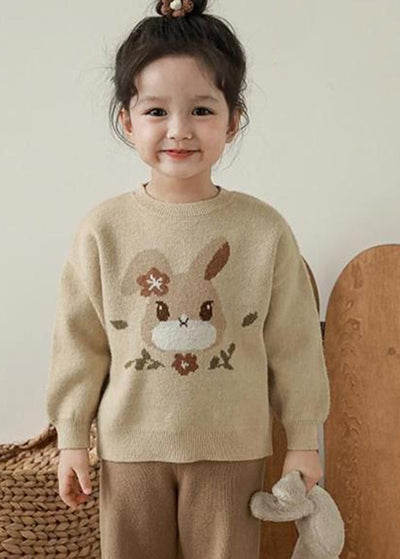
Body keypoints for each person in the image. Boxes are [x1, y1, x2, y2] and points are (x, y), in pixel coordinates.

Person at [45, 0, 331, 557]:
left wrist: (303, 439)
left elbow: (294, 344)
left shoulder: (263, 230)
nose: (179, 130)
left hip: (232, 449)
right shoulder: (102, 230)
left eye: (201, 109)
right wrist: (72, 437)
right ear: (127, 121)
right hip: (130, 450)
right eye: (156, 111)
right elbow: (79, 343)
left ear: (233, 119)